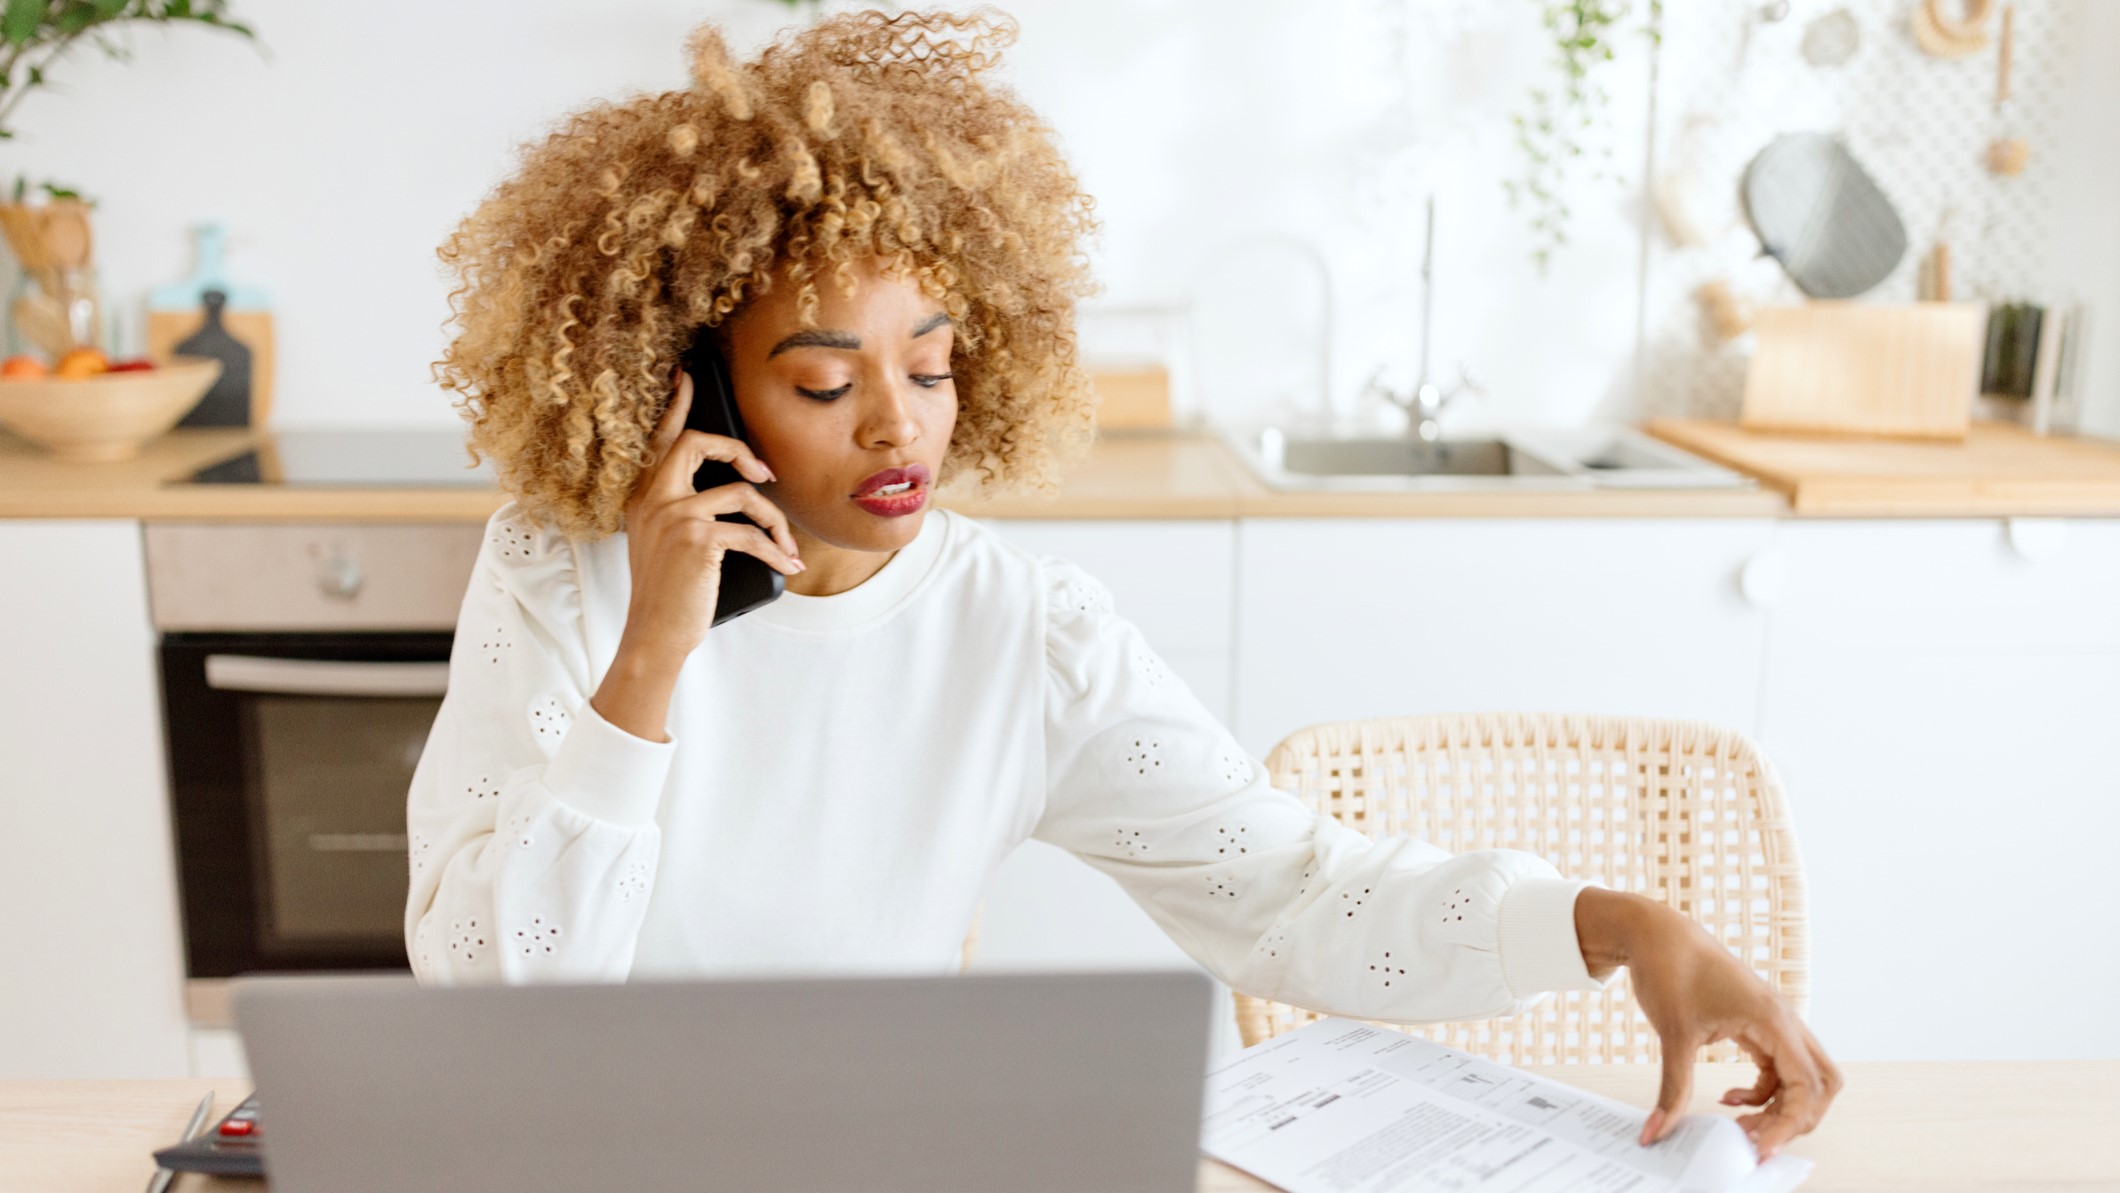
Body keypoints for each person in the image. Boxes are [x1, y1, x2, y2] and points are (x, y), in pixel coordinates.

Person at [410, 7, 1838, 1159]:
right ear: (694, 387)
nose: (902, 425)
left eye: (931, 364)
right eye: (826, 379)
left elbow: (1296, 895)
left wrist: (1621, 926)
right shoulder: (560, 576)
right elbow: (494, 997)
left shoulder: (1024, 632)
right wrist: (652, 653)